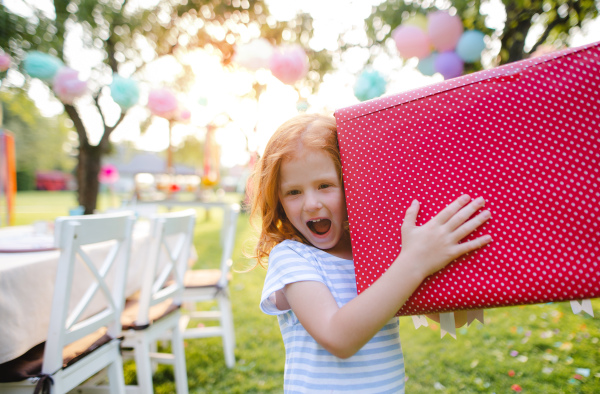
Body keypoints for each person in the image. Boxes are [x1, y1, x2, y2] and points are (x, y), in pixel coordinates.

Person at [249, 113, 492, 393]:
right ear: (278, 200)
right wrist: (414, 263)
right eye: (293, 192)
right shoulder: (292, 257)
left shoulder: (375, 253)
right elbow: (337, 337)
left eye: (325, 186)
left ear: (353, 182)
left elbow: (452, 318)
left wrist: (439, 263)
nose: (311, 204)